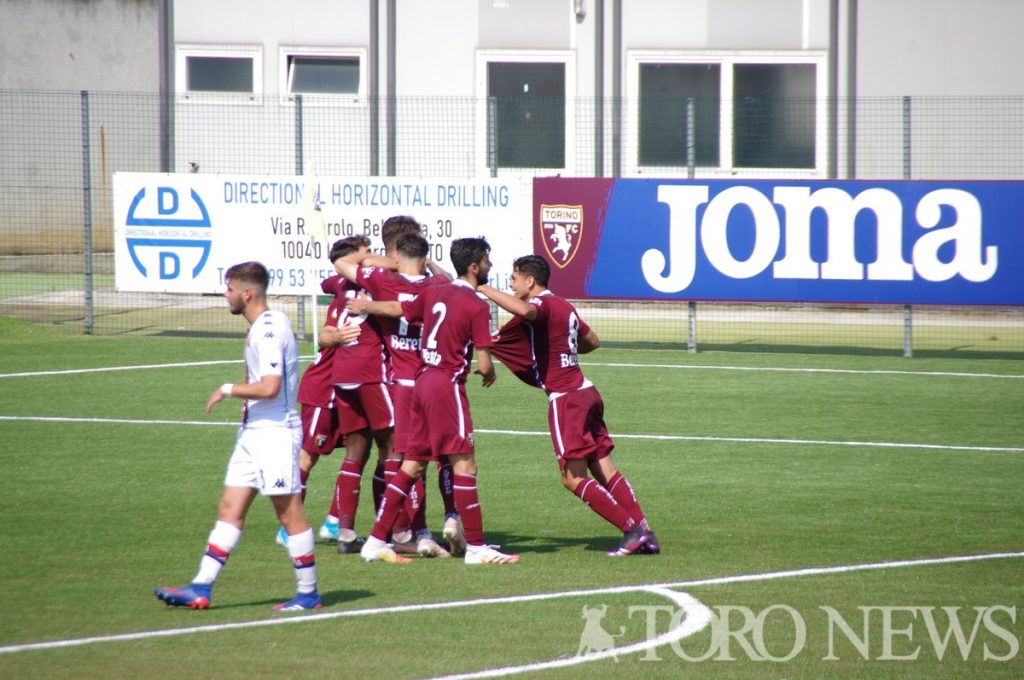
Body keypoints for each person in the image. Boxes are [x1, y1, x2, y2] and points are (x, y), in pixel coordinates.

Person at [155, 261, 322, 611]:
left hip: (275, 432)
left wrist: (227, 388)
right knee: (229, 508)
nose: (225, 294)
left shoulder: (270, 329)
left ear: (247, 293)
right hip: (253, 432)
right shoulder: (261, 326)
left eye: (229, 288)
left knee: (289, 514)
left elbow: (271, 387)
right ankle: (201, 586)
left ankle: (308, 594)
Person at [353, 237, 520, 565]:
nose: (490, 266)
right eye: (487, 261)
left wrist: (367, 306)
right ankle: (476, 547)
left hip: (421, 380)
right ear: (474, 266)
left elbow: (402, 310)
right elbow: (484, 363)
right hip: (446, 385)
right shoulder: (476, 305)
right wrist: (489, 373)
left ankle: (374, 541)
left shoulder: (433, 290)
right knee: (464, 463)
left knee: (412, 464)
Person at [480, 254, 659, 556]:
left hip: (566, 400)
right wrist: (565, 352)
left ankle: (630, 530)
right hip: (587, 391)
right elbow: (592, 340)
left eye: (513, 278)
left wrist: (483, 288)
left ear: (530, 281)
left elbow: (524, 309)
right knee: (606, 470)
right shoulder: (564, 305)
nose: (510, 284)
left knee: (572, 478)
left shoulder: (541, 305)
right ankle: (646, 532)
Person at [335, 225, 458, 559]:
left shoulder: (382, 281)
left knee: (404, 459)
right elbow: (449, 281)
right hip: (434, 380)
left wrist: (386, 265)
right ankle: (436, 524)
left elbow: (342, 262)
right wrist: (429, 265)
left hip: (400, 383)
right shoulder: (438, 285)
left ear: (395, 254)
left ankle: (409, 531)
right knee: (443, 456)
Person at [320, 235, 399, 554]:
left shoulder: (340, 288)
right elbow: (395, 265)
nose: (374, 256)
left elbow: (324, 335)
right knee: (394, 447)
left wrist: (333, 336)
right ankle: (396, 530)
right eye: (367, 253)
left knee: (356, 450)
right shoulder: (378, 282)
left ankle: (346, 533)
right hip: (370, 371)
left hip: (343, 373)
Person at [274, 286, 361, 548]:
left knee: (357, 453)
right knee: (307, 456)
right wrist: (336, 336)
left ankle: (334, 522)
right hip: (323, 392)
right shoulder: (345, 300)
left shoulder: (369, 296)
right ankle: (288, 527)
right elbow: (323, 337)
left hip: (350, 391)